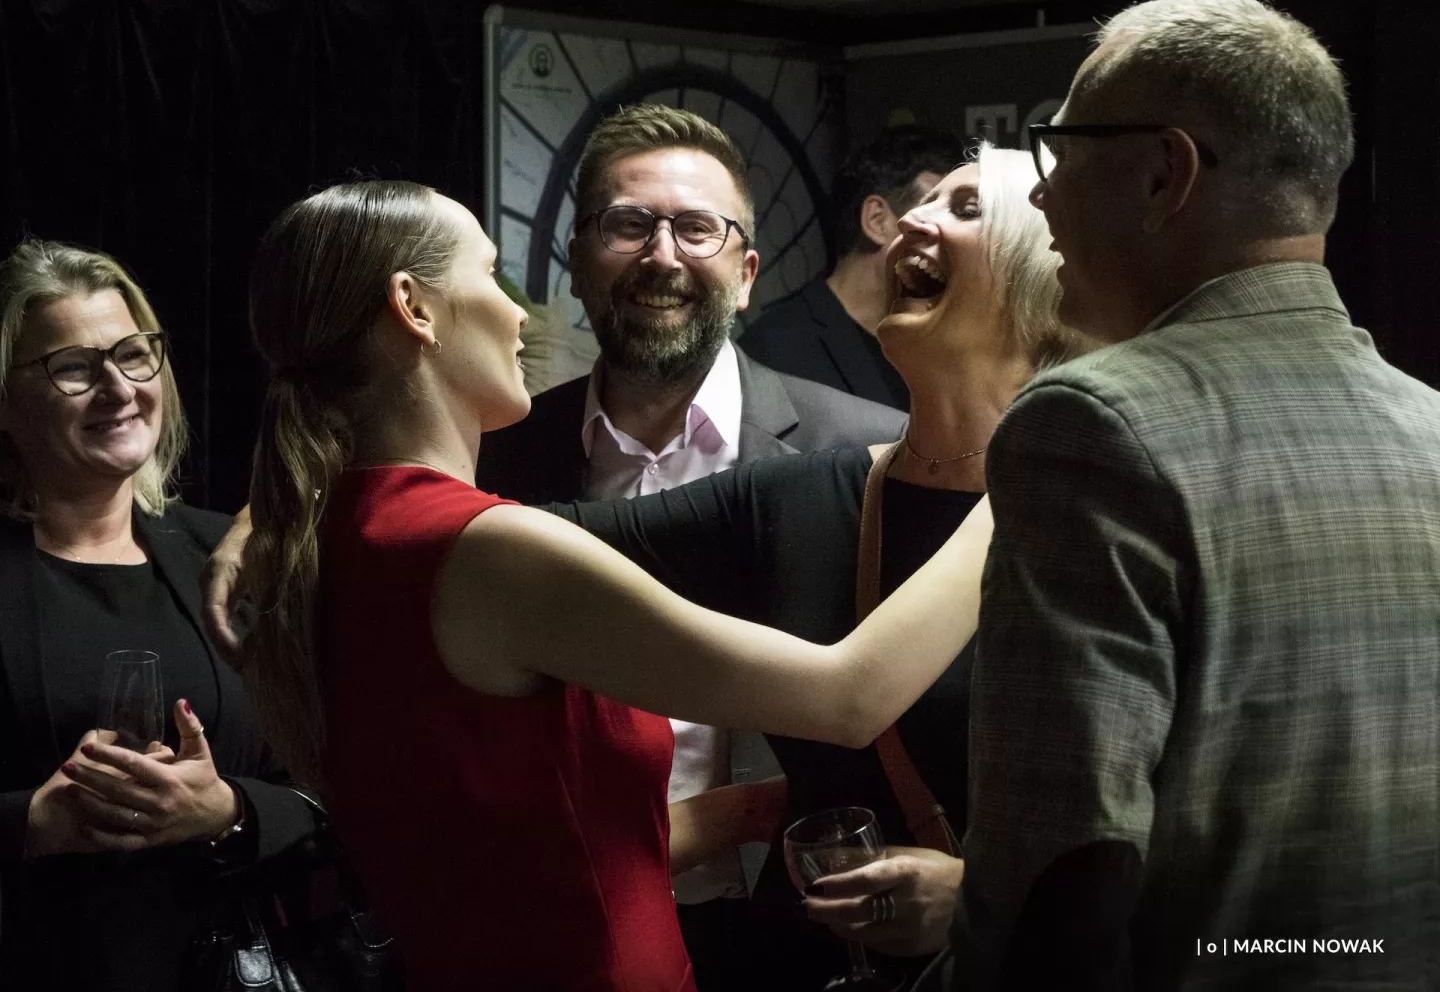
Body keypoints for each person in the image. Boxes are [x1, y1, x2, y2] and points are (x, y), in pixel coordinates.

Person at [236, 178, 992, 992]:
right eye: (490, 275)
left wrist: (743, 811)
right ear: (414, 308)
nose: (518, 314)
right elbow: (850, 696)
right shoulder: (489, 549)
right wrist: (1018, 480)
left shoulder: (337, 532)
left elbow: (516, 849)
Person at [951, 0, 1440, 990]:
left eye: (1060, 151)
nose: (1039, 197)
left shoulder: (1092, 423)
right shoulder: (1430, 424)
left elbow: (1061, 869)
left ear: (1162, 173)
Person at [550, 143, 1088, 989]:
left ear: (1048, 280)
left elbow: (1210, 825)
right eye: (921, 202)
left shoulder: (1099, 515)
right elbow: (525, 544)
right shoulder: (806, 494)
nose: (910, 221)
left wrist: (986, 901)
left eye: (966, 207)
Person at [476, 103, 906, 988]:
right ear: (577, 263)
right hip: (564, 921)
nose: (662, 256)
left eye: (696, 229)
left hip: (795, 931)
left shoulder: (863, 450)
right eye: (629, 224)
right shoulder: (494, 458)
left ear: (745, 275)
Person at [0, 239, 321, 991]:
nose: (118, 388)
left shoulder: (228, 557)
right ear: (6, 401)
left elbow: (330, 789)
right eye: (73, 368)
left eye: (133, 355)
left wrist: (227, 810)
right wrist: (33, 824)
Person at [739, 125, 967, 411]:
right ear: (877, 221)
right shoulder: (774, 349)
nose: (954, 239)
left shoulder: (939, 348)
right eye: (935, 218)